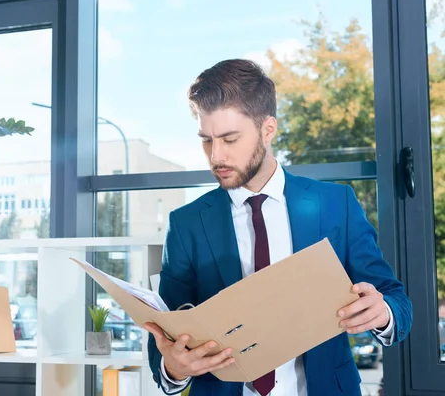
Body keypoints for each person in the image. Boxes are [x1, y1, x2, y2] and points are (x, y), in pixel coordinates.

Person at [143, 59, 413, 396]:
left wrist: (382, 311)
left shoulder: (336, 204)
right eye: (206, 140)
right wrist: (173, 369)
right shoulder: (186, 224)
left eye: (230, 139)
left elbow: (396, 299)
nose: (215, 157)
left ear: (268, 129)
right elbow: (166, 339)